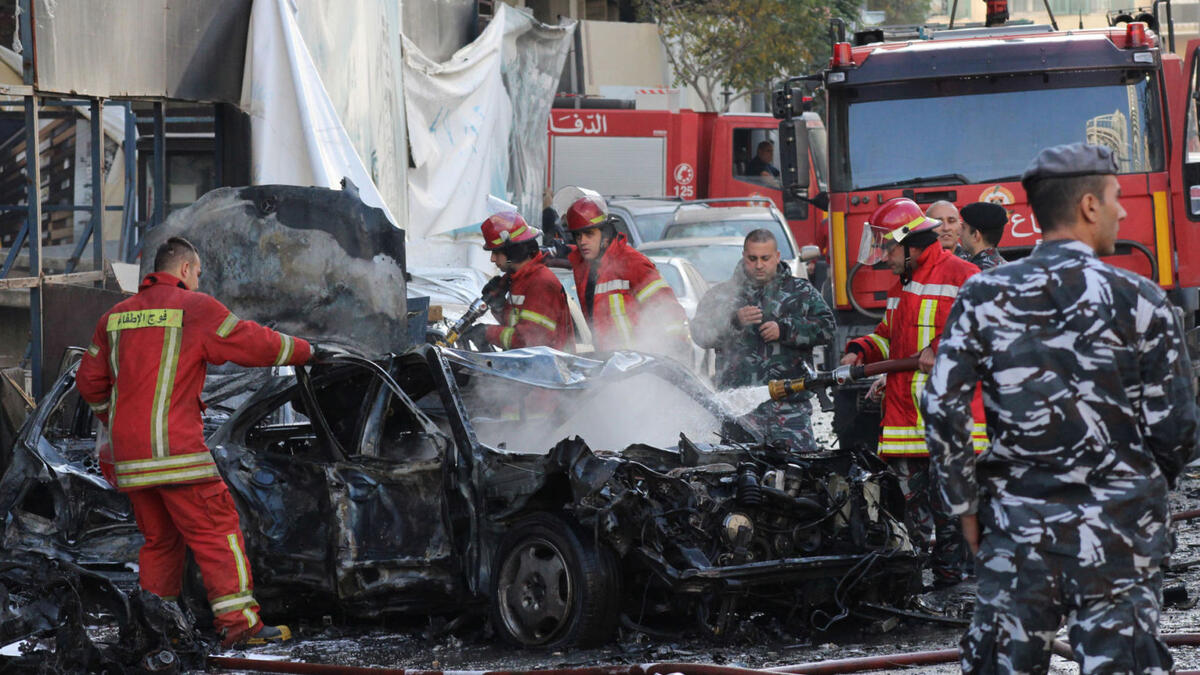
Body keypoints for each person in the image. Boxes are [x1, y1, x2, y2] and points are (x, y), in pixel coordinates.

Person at [923, 143, 1198, 673]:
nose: (1122, 210)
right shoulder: (1139, 298)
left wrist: (966, 506)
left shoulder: (983, 295)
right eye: (1116, 198)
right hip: (1119, 536)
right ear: (1089, 207)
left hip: (1017, 530)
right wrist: (1134, 491)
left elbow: (941, 406)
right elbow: (1179, 430)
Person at [75, 237, 312, 648]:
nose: (199, 281)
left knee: (160, 541)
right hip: (177, 454)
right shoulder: (194, 309)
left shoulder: (115, 316)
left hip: (131, 459)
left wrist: (116, 420)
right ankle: (241, 628)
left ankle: (157, 629)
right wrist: (308, 351)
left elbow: (89, 382)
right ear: (185, 269)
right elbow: (252, 342)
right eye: (198, 273)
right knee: (217, 531)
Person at [841, 197, 987, 587]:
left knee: (951, 512)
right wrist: (861, 350)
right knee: (911, 514)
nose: (885, 256)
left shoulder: (964, 275)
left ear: (911, 244)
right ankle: (921, 582)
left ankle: (952, 589)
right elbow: (891, 340)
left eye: (889, 247)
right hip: (907, 425)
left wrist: (940, 350)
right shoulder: (901, 286)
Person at [691, 229, 835, 452]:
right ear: (743, 256)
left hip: (789, 410)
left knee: (800, 476)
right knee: (740, 479)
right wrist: (734, 322)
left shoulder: (801, 292)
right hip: (739, 410)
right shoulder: (721, 295)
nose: (759, 265)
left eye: (765, 258)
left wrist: (787, 330)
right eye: (752, 258)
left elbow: (827, 329)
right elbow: (700, 334)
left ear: (777, 257)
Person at [564, 193, 690, 359]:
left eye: (589, 234)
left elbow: (667, 309)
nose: (582, 241)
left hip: (640, 365)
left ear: (605, 234)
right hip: (610, 366)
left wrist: (675, 349)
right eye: (578, 235)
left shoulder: (632, 263)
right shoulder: (586, 266)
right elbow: (570, 254)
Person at [469, 211, 574, 351]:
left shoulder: (540, 283)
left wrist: (486, 332)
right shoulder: (518, 280)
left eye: (496, 252)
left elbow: (528, 341)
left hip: (546, 369)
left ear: (512, 251)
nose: (492, 259)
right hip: (527, 367)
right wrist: (499, 307)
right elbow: (515, 328)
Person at [959, 202, 1007, 271]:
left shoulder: (973, 273)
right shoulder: (1007, 268)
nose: (960, 233)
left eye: (963, 228)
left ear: (976, 235)